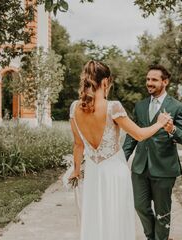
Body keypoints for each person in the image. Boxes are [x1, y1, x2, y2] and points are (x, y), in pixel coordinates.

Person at [68, 60, 171, 240]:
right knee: (115, 219)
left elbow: (78, 145)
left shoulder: (74, 108)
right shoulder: (112, 107)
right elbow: (139, 135)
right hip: (114, 173)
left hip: (92, 172)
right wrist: (160, 123)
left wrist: (76, 171)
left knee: (96, 218)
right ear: (106, 81)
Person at [123, 64, 182, 240]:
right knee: (140, 206)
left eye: (154, 79)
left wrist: (172, 129)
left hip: (164, 168)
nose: (149, 83)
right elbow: (132, 136)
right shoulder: (140, 106)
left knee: (162, 213)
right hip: (139, 168)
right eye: (147, 79)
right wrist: (122, 159)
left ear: (165, 82)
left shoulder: (177, 107)